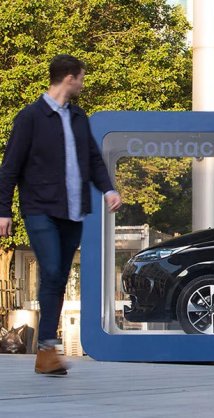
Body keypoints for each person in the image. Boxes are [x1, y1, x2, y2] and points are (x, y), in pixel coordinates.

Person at [0, 54, 122, 375]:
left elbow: (94, 159)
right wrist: (3, 211)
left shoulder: (79, 117)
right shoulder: (30, 118)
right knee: (52, 269)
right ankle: (47, 347)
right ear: (69, 77)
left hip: (72, 211)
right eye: (81, 77)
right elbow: (10, 167)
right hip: (39, 208)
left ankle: (46, 353)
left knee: (59, 276)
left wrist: (108, 189)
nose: (83, 83)